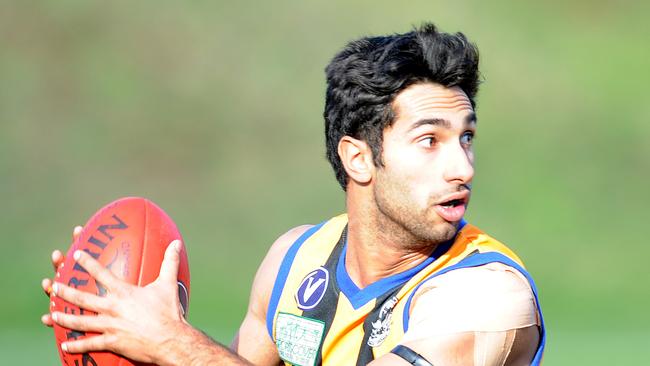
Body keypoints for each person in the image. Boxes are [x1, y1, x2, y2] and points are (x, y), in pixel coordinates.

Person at [41, 23, 546, 365]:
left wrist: (172, 343)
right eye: (430, 140)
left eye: (467, 137)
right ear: (359, 158)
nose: (462, 166)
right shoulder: (297, 261)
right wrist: (122, 333)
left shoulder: (490, 298)